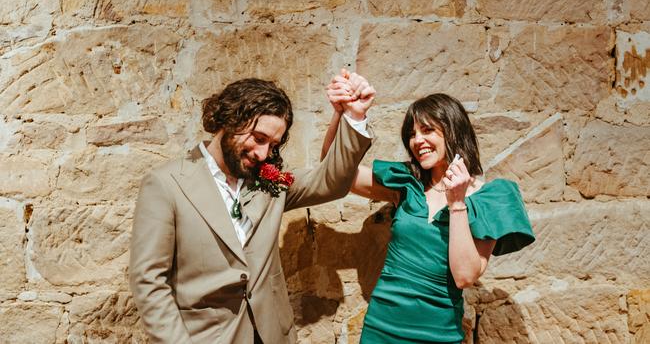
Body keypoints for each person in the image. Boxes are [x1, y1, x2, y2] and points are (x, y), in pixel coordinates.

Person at [129, 77, 375, 343]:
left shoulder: (268, 184)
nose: (263, 153)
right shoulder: (166, 184)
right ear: (230, 118)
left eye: (273, 145)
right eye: (259, 139)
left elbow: (331, 182)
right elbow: (149, 282)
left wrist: (353, 115)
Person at [323, 71, 535, 343]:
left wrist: (457, 202)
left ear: (453, 130)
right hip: (381, 328)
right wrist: (343, 114)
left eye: (427, 130)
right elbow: (335, 173)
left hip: (438, 334)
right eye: (412, 134)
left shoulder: (489, 198)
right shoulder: (406, 183)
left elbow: (465, 276)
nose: (417, 141)